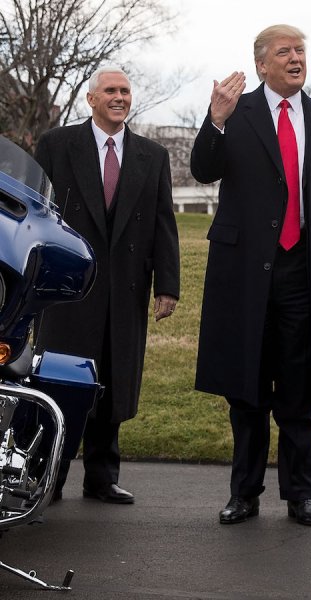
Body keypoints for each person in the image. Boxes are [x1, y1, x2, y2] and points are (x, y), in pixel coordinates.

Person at [191, 24, 311, 526]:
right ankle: (244, 493)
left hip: (304, 268)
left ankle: (301, 494)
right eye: (284, 52)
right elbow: (203, 169)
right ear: (262, 64)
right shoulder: (236, 113)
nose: (296, 58)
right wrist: (215, 120)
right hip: (245, 270)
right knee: (245, 389)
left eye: (301, 51)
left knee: (299, 389)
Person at [34, 65, 180, 504]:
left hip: (126, 289)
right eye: (111, 91)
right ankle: (48, 478)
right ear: (92, 99)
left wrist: (167, 285)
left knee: (113, 384)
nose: (120, 97)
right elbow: (36, 210)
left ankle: (101, 478)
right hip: (66, 287)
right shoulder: (57, 145)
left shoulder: (151, 156)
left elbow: (163, 223)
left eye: (125, 91)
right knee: (61, 382)